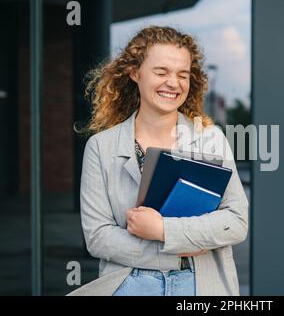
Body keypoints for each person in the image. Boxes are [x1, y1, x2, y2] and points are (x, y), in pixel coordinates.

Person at [71, 26, 248, 296]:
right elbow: (98, 237)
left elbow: (235, 222)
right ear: (134, 73)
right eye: (161, 72)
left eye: (182, 75)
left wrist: (163, 229)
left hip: (200, 286)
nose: (173, 83)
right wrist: (179, 247)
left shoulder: (210, 137)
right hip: (129, 285)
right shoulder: (101, 147)